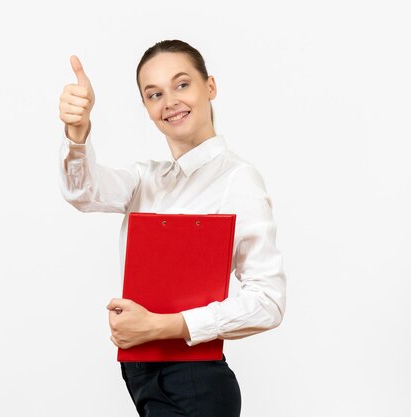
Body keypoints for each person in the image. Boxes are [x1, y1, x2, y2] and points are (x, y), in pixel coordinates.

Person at [58, 40, 286, 417]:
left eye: (182, 84)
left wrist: (165, 325)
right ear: (147, 108)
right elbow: (82, 191)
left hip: (193, 381)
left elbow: (268, 302)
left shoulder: (238, 180)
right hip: (141, 376)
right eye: (154, 94)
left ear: (209, 87)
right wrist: (77, 134)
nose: (170, 101)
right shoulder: (145, 179)